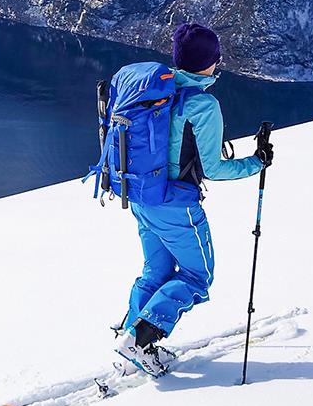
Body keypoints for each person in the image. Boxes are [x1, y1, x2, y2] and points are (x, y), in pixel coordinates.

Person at [115, 22, 274, 376]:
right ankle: (140, 340)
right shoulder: (202, 104)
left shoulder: (156, 92)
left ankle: (131, 339)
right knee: (196, 276)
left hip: (142, 197)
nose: (218, 64)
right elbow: (215, 169)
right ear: (207, 63)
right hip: (177, 205)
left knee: (156, 271)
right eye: (216, 59)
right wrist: (257, 162)